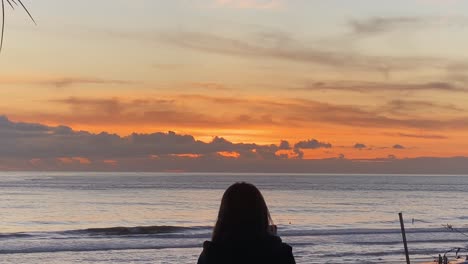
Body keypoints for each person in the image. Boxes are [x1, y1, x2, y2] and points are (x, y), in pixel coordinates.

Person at [197, 182, 296, 264]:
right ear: (261, 214)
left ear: (224, 216)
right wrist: (272, 240)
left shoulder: (211, 255)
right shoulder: (281, 253)